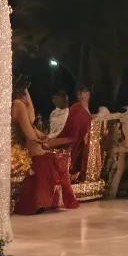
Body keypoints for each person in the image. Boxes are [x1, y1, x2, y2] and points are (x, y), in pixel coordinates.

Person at [11, 74, 78, 215]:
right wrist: (44, 141)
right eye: (26, 90)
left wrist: (44, 138)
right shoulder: (18, 105)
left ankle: (45, 201)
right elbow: (30, 133)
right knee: (48, 159)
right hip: (18, 149)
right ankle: (39, 202)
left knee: (53, 156)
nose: (28, 95)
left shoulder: (20, 104)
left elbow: (32, 121)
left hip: (27, 145)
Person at [61, 87, 93, 178]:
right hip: (77, 138)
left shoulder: (89, 107)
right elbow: (72, 124)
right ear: (78, 94)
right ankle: (74, 171)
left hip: (87, 138)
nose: (87, 94)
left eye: (88, 91)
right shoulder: (75, 108)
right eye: (84, 92)